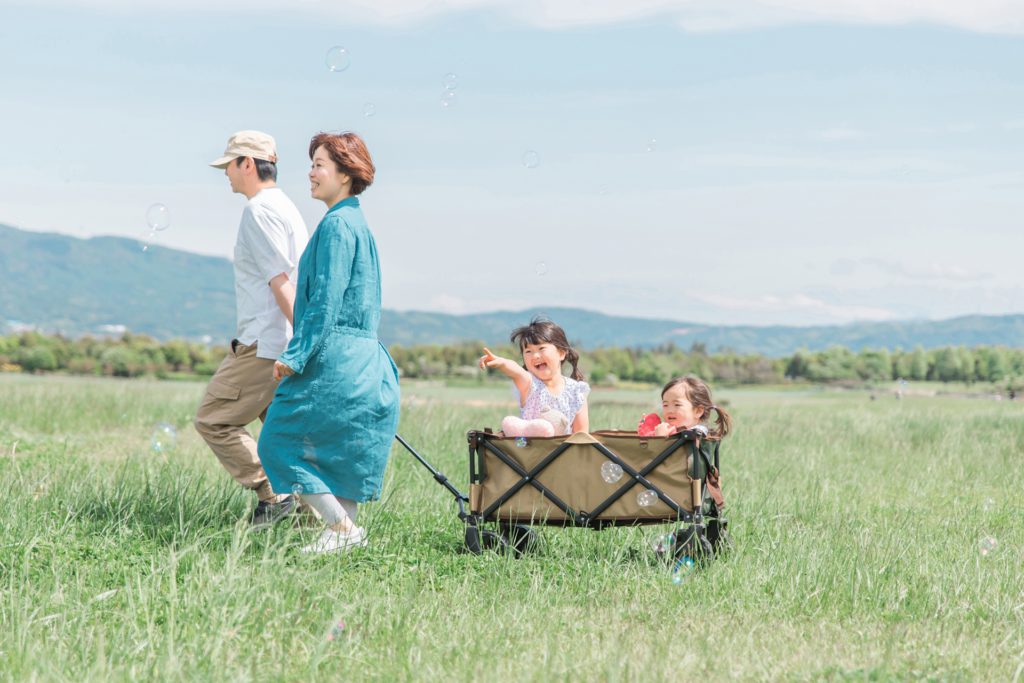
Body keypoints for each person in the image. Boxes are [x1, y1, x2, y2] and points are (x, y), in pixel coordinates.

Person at [257, 131, 400, 554]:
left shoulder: (337, 225)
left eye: (319, 164)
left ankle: (342, 528)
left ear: (345, 174)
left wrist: (295, 354)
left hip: (334, 356)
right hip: (363, 356)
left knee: (276, 441)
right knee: (341, 450)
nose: (311, 172)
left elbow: (325, 300)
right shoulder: (356, 222)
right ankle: (342, 535)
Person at [195, 130, 309, 527]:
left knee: (213, 419)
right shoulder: (286, 207)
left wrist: (305, 341)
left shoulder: (259, 211)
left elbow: (280, 281)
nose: (226, 173)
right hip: (280, 342)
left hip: (264, 343)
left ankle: (274, 495)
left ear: (248, 164)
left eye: (229, 164)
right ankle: (317, 518)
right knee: (283, 436)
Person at [479, 318, 590, 436]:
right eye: (528, 351)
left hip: (562, 447)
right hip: (527, 446)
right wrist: (502, 362)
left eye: (541, 348)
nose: (535, 355)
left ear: (561, 353)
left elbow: (581, 434)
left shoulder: (576, 391)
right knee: (516, 438)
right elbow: (516, 371)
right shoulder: (530, 384)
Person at [638, 375, 732, 439]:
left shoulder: (695, 435)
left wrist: (660, 439)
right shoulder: (677, 432)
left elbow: (673, 460)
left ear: (698, 411)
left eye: (677, 405)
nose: (670, 410)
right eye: (665, 405)